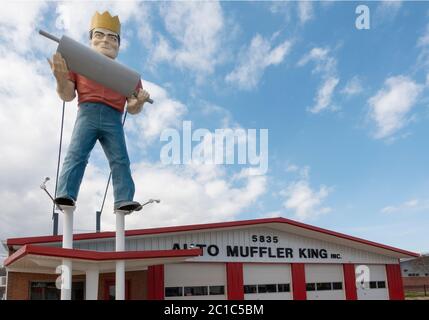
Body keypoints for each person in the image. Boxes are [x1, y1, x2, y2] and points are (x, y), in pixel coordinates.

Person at [47, 11, 150, 212]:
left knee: (120, 159)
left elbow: (132, 107)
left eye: (112, 38)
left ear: (119, 45)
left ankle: (124, 198)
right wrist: (60, 80)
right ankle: (65, 193)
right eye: (99, 35)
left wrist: (140, 103)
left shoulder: (128, 77)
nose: (106, 41)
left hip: (114, 117)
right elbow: (68, 95)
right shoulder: (78, 63)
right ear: (91, 38)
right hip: (87, 112)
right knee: (76, 154)